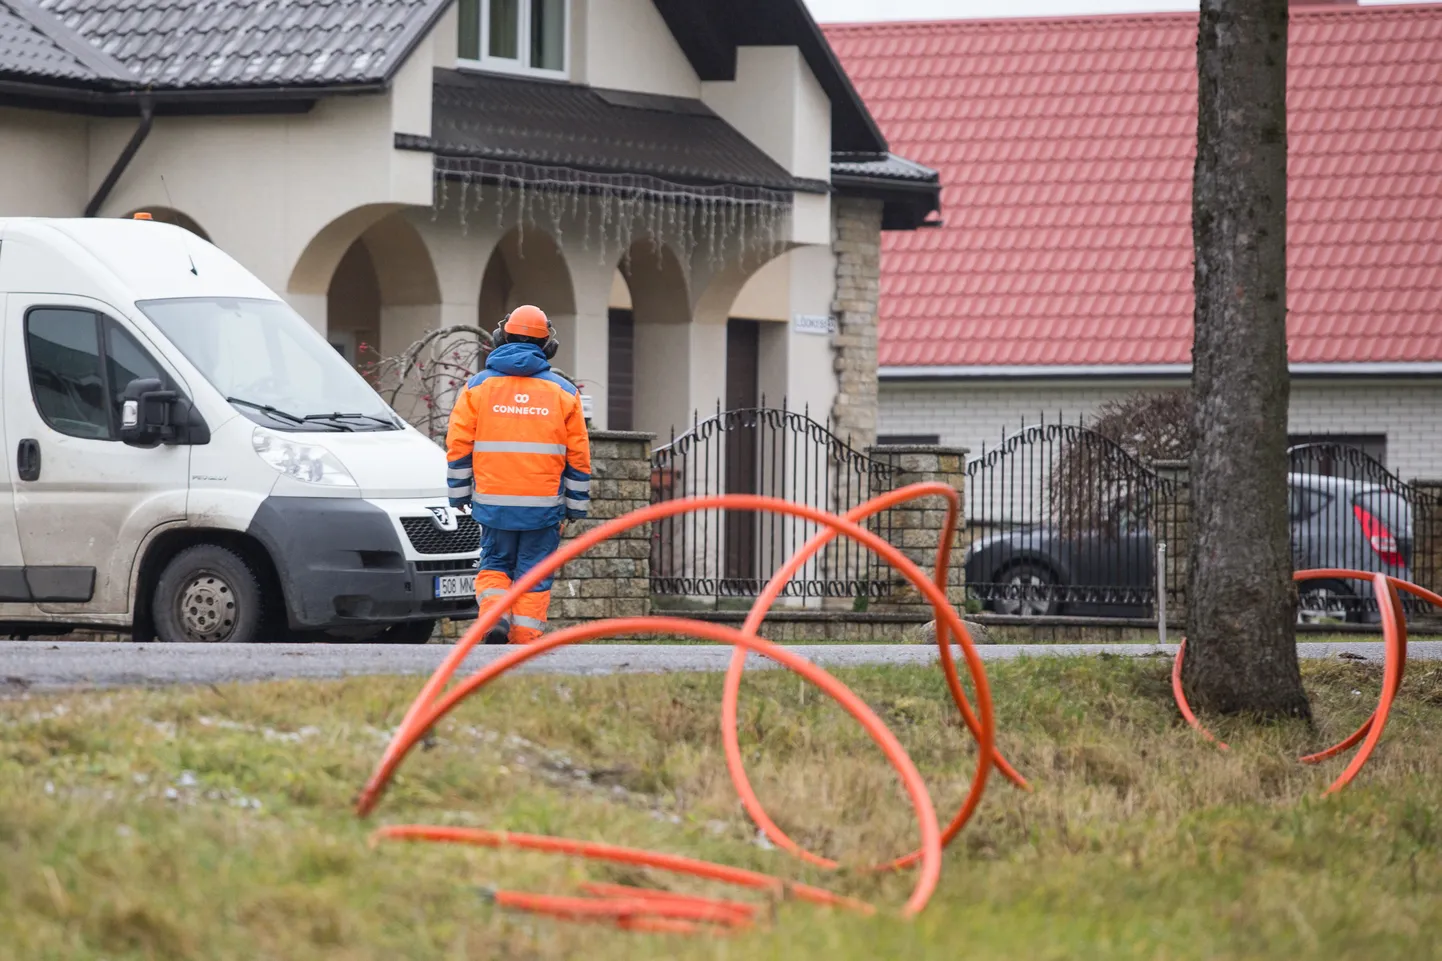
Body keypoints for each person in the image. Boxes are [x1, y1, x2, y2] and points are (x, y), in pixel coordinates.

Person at [445, 305, 591, 644]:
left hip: (493, 505)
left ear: (501, 338)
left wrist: (458, 495)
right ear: (547, 346)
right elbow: (579, 455)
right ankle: (524, 637)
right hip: (543, 508)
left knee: (495, 563)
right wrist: (576, 505)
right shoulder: (564, 392)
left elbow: (458, 442)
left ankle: (494, 619)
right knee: (534, 572)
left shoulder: (478, 387)